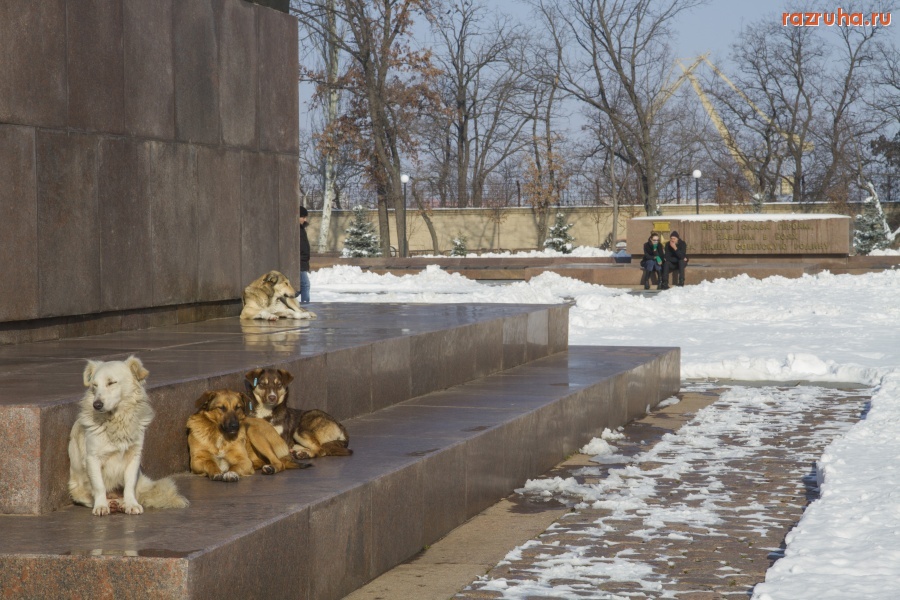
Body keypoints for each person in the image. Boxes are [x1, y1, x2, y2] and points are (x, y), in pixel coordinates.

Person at [297, 207, 311, 303]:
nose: (305, 219)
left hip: (303, 261)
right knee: (305, 284)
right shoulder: (296, 229)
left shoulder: (301, 229)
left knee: (302, 286)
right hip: (299, 261)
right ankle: (305, 305)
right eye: (303, 217)